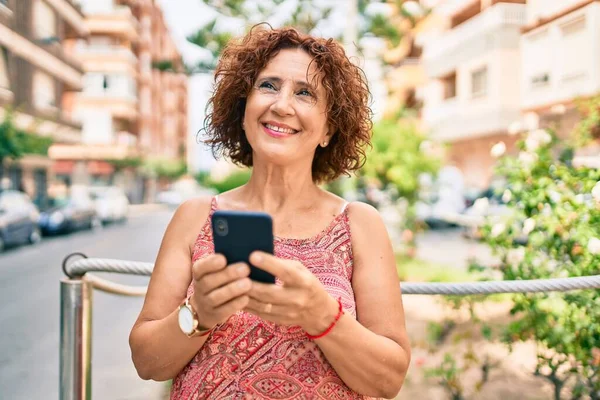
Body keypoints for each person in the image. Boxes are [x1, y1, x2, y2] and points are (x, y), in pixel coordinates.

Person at [129, 25, 411, 399]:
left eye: (305, 93)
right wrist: (199, 313)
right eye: (268, 85)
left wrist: (321, 315)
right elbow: (147, 362)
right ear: (242, 110)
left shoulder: (359, 223)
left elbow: (388, 380)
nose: (282, 105)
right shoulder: (194, 216)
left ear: (329, 128)